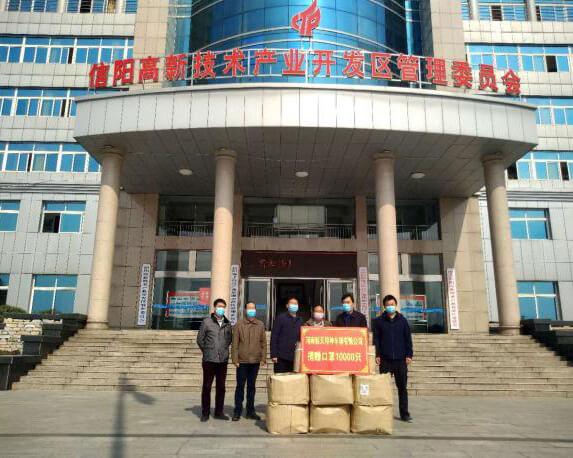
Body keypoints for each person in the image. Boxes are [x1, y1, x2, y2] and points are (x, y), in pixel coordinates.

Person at [372, 294, 414, 422]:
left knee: (402, 388)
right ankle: (383, 412)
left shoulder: (403, 321)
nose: (390, 306)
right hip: (385, 360)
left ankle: (404, 414)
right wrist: (377, 354)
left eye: (392, 304)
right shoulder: (379, 321)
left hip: (400, 360)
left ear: (396, 305)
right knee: (383, 388)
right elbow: (376, 340)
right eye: (388, 305)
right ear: (384, 306)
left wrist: (409, 354)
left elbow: (408, 339)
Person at [197, 298, 232, 422]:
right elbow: (200, 339)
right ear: (214, 308)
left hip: (222, 360)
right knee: (207, 386)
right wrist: (208, 350)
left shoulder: (228, 324)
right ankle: (205, 413)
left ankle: (219, 412)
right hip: (209, 360)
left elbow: (229, 340)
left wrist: (223, 350)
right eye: (219, 306)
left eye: (223, 307)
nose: (221, 309)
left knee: (221, 387)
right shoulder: (206, 322)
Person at [231, 301, 266, 422]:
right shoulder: (239, 324)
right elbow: (235, 343)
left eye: (253, 308)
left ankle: (250, 411)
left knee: (252, 387)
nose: (251, 310)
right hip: (242, 361)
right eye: (249, 308)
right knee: (240, 386)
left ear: (255, 310)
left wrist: (263, 358)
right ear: (245, 310)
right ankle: (237, 411)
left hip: (255, 361)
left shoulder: (260, 324)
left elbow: (263, 343)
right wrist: (235, 359)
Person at [270, 297, 304, 373]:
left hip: (295, 357)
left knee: (293, 379)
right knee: (280, 378)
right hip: (281, 357)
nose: (294, 305)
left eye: (295, 304)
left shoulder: (300, 320)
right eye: (292, 303)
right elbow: (274, 336)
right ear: (287, 305)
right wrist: (274, 354)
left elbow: (302, 338)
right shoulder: (280, 318)